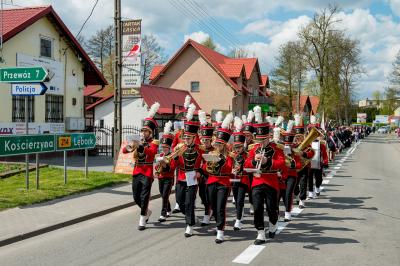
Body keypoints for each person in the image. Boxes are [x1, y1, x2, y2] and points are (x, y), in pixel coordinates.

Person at [244, 106, 288, 245]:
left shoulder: (277, 148)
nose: (261, 142)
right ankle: (260, 233)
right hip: (257, 182)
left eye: (264, 139)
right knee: (257, 208)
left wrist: (267, 160)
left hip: (271, 182)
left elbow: (282, 163)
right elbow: (246, 164)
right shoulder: (254, 149)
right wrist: (253, 160)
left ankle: (273, 224)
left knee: (271, 209)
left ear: (269, 137)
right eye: (259, 139)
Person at [123, 102, 160, 230]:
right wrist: (129, 146)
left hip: (147, 172)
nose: (143, 133)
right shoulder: (139, 141)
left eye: (146, 131)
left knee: (145, 197)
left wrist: (140, 146)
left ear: (150, 133)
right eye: (143, 131)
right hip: (137, 170)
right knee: (135, 197)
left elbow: (151, 152)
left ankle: (142, 219)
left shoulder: (154, 142)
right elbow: (124, 151)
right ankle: (147, 212)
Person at [173, 104, 204, 237]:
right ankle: (191, 218)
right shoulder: (180, 147)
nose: (185, 140)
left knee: (189, 201)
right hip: (180, 175)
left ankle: (189, 225)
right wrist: (171, 159)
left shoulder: (200, 149)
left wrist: (200, 172)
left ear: (193, 138)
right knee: (180, 201)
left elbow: (206, 162)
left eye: (188, 138)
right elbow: (173, 163)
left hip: (192, 175)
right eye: (184, 137)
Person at [204, 113, 234, 243]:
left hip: (223, 182)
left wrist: (221, 161)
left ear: (225, 144)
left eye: (220, 144)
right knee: (213, 206)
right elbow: (206, 168)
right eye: (217, 143)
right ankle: (218, 223)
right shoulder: (211, 152)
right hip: (211, 181)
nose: (217, 146)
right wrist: (209, 162)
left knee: (221, 206)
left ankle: (220, 231)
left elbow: (229, 169)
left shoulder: (230, 155)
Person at [154, 121, 177, 222]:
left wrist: (165, 164)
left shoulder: (172, 156)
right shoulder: (161, 155)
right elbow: (156, 167)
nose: (164, 149)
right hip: (161, 177)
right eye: (163, 148)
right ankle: (168, 208)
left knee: (164, 195)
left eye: (166, 148)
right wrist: (157, 167)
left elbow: (172, 168)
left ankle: (163, 214)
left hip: (169, 178)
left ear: (169, 148)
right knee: (162, 194)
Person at [231, 117, 250, 231]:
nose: (237, 149)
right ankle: (240, 212)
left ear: (243, 146)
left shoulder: (247, 155)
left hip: (243, 179)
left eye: (239, 147)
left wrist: (242, 168)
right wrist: (231, 170)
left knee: (240, 199)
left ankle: (238, 220)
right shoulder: (232, 155)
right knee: (236, 200)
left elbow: (250, 167)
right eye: (236, 147)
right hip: (233, 179)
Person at [281, 120, 302, 222]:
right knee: (282, 194)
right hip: (281, 176)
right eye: (286, 145)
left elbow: (298, 165)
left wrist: (291, 161)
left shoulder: (295, 151)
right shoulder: (280, 150)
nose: (287, 146)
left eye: (289, 145)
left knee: (289, 193)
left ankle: (287, 213)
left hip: (292, 175)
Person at [198, 110, 214, 226]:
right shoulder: (200, 149)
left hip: (212, 176)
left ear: (210, 140)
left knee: (209, 196)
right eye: (203, 140)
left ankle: (207, 215)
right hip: (202, 176)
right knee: (202, 195)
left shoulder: (214, 150)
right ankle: (209, 210)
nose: (204, 142)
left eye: (206, 140)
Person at [242, 111, 256, 215]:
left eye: (248, 135)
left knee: (251, 188)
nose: (246, 137)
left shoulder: (254, 144)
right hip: (241, 169)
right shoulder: (240, 143)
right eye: (245, 135)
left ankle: (252, 204)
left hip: (251, 169)